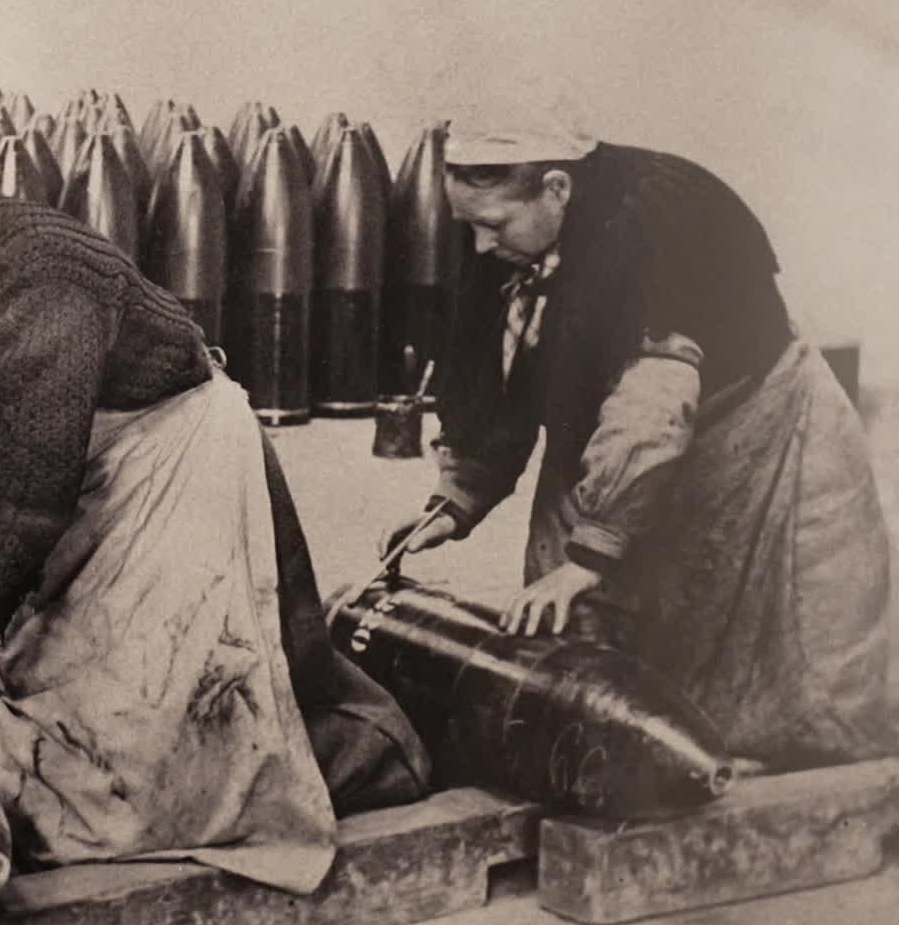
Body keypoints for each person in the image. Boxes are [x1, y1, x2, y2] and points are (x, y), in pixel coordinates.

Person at [0, 92, 429, 889]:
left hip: (169, 490)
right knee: (46, 744)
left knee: (160, 769)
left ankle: (377, 754)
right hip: (66, 503)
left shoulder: (35, 265)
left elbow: (24, 478)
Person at [380, 116, 892, 771]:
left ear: (556, 188)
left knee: (795, 669)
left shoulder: (660, 221)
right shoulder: (503, 240)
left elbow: (650, 411)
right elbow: (496, 376)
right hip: (612, 434)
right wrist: (453, 502)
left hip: (755, 430)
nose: (478, 246)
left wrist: (590, 554)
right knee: (577, 639)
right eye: (468, 225)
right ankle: (618, 764)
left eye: (494, 225)